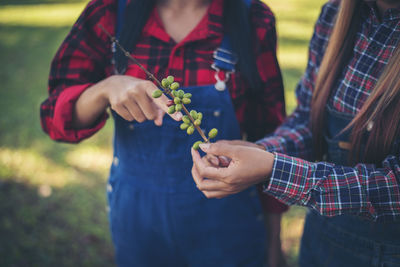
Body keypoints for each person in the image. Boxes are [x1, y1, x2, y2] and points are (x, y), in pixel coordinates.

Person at [40, 0, 289, 266]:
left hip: (229, 230)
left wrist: (273, 241)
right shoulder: (108, 13)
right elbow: (55, 117)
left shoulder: (253, 18)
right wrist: (104, 89)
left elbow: (271, 140)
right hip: (139, 229)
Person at [191, 0, 400, 266]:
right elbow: (308, 121)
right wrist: (263, 151)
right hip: (322, 243)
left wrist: (273, 169)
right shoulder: (335, 14)